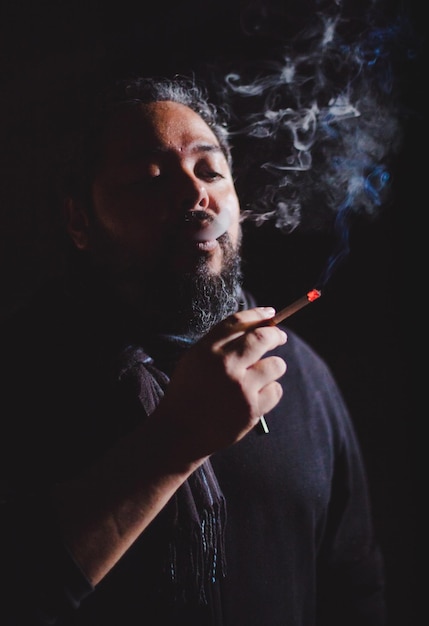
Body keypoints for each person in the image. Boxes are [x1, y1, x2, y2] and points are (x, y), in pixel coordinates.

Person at [0, 75, 386, 626]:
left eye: (210, 170)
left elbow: (354, 588)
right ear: (79, 220)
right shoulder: (19, 370)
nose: (192, 192)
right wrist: (176, 439)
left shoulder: (300, 373)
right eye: (147, 177)